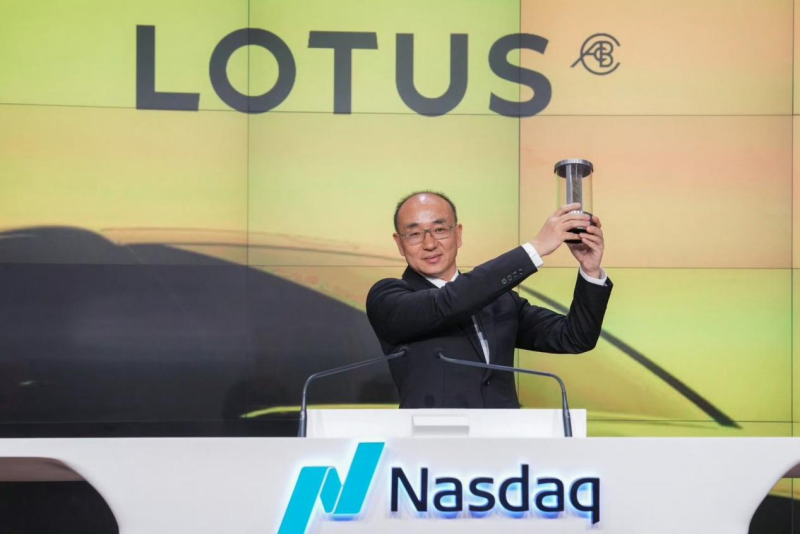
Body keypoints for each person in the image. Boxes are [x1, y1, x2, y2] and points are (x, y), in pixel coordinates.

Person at [366, 191, 612, 408]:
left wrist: (590, 271)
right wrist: (536, 248)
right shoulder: (388, 298)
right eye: (414, 234)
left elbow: (574, 337)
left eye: (440, 230)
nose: (429, 244)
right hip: (434, 441)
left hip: (503, 440)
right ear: (400, 243)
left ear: (458, 234)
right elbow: (447, 303)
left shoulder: (500, 301)